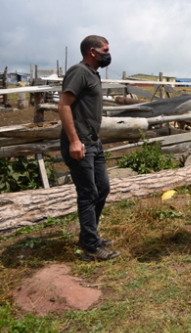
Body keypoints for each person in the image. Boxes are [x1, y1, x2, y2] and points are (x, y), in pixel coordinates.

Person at [58, 35, 119, 261]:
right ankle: (91, 248)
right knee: (88, 193)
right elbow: (64, 105)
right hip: (80, 143)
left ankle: (88, 237)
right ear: (92, 52)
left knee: (102, 189)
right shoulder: (79, 72)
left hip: (94, 142)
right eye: (105, 50)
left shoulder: (93, 74)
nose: (108, 54)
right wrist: (74, 140)